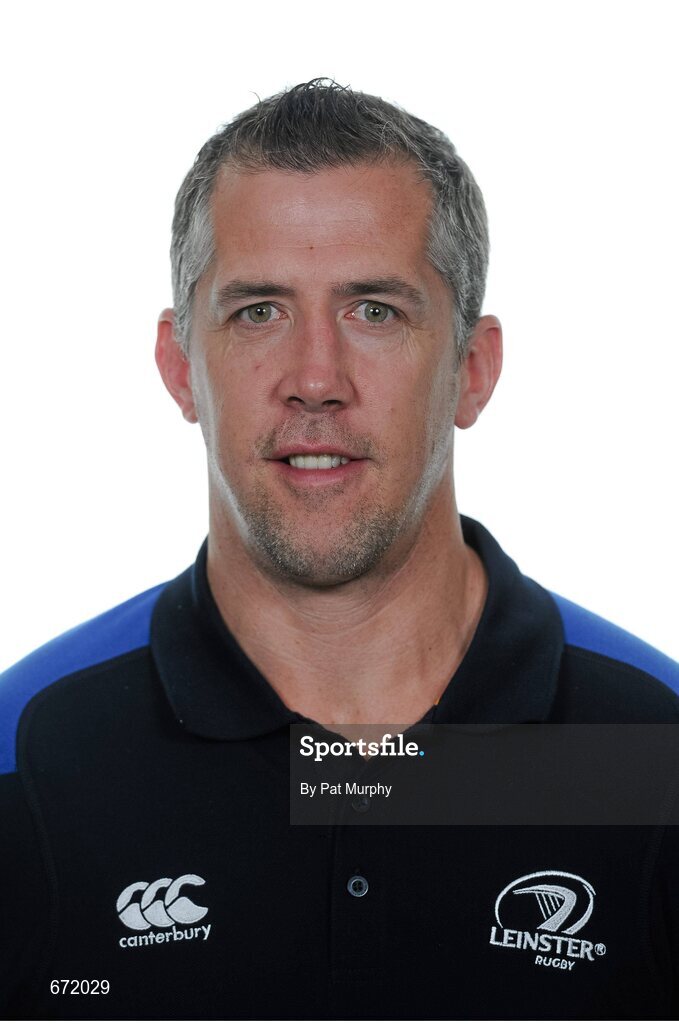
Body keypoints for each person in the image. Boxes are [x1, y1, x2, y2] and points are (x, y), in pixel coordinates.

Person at [1, 79, 678, 1021]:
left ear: (470, 371)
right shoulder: (24, 751)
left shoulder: (655, 748)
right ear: (178, 365)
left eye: (374, 311)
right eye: (258, 312)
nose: (315, 379)